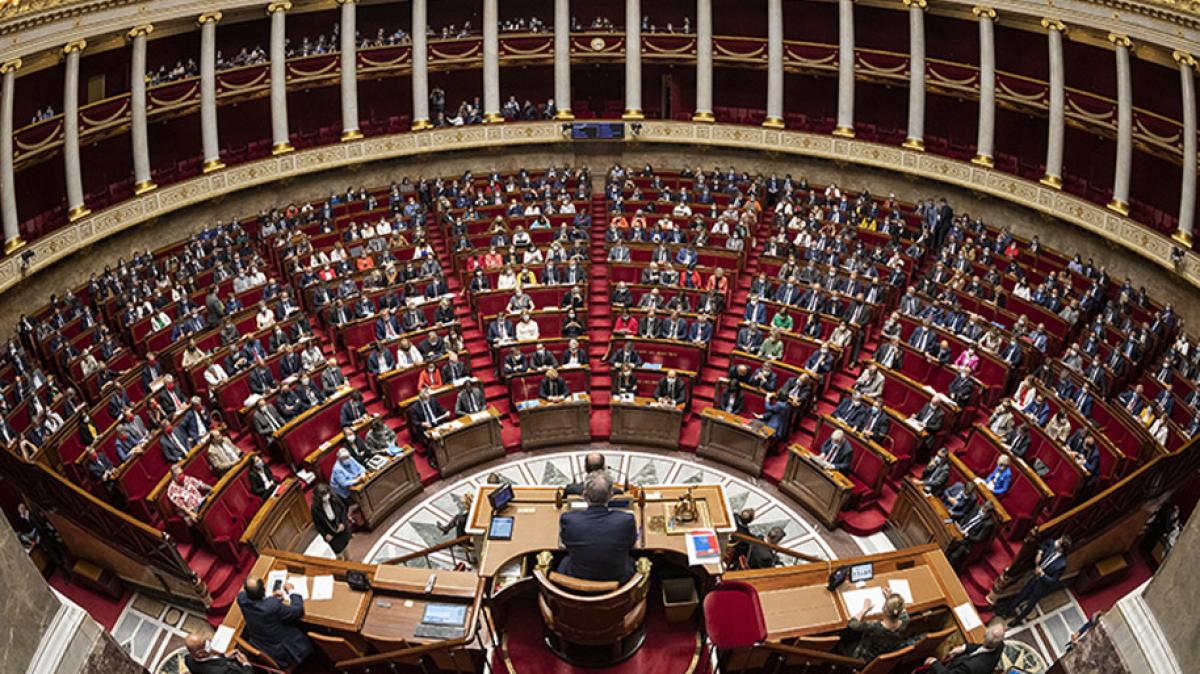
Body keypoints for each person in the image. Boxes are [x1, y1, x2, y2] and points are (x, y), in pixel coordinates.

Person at [557, 471, 636, 582]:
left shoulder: (569, 520)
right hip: (618, 579)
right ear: (611, 495)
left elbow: (564, 543)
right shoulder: (626, 520)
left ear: (584, 495)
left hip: (577, 578)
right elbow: (631, 545)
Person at [235, 577, 313, 668]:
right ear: (263, 590)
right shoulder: (272, 606)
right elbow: (297, 611)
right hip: (281, 650)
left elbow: (258, 605)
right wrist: (292, 592)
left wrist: (270, 599)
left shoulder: (241, 599)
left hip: (261, 643)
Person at [1001, 535, 1071, 625]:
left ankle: (1017, 620)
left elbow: (1053, 581)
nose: (1056, 541)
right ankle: (1008, 611)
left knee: (1031, 603)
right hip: (1034, 578)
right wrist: (1040, 552)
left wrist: (1042, 574)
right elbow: (1045, 543)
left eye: (1059, 541)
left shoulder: (1062, 564)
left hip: (1042, 585)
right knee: (1022, 594)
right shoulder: (1052, 544)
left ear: (1062, 548)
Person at [846, 593, 911, 662]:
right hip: (883, 654)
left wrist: (864, 609)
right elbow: (901, 610)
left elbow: (852, 624)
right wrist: (890, 600)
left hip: (864, 658)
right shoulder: (905, 621)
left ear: (883, 609)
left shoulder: (874, 626)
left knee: (847, 637)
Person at [923, 623, 1006, 674]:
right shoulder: (1000, 645)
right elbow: (982, 647)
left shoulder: (971, 667)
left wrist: (934, 662)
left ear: (984, 634)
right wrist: (965, 648)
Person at [946, 501, 997, 568]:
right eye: (983, 507)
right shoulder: (976, 508)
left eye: (985, 510)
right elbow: (966, 516)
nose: (982, 509)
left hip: (967, 542)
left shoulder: (989, 523)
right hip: (959, 530)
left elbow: (979, 538)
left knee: (953, 555)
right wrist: (960, 525)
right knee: (946, 536)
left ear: (989, 512)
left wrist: (967, 535)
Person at [311, 482, 353, 560]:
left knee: (346, 548)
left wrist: (343, 523)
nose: (326, 497)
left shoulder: (334, 498)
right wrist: (325, 534)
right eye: (323, 496)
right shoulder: (315, 508)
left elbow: (343, 509)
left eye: (327, 493)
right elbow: (317, 524)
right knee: (338, 553)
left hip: (341, 527)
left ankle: (349, 561)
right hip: (330, 532)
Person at [183, 631, 252, 674]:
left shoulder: (187, 659)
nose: (209, 641)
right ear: (200, 654)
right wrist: (246, 663)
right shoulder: (223, 671)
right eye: (204, 643)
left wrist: (224, 657)